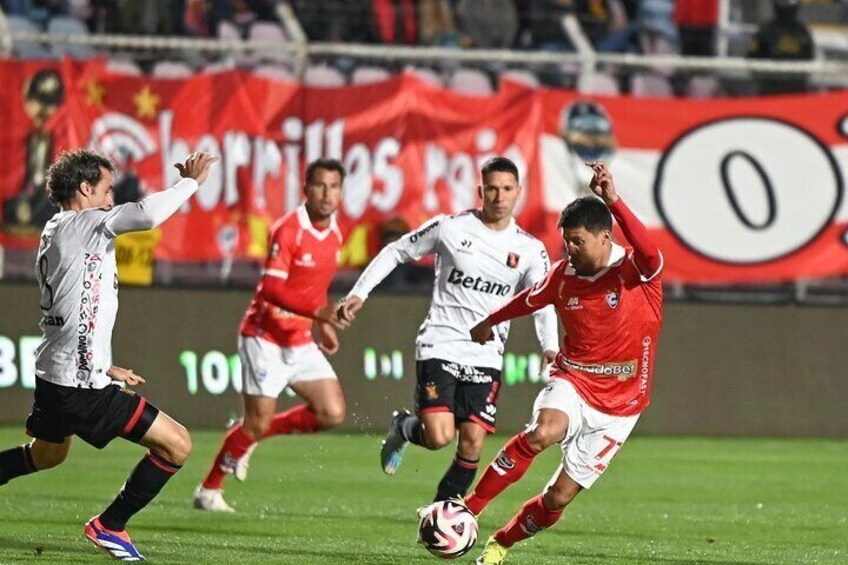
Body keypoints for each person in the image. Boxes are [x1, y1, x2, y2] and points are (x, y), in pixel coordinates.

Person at [0, 149, 217, 561]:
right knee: (178, 446)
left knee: (46, 455)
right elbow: (147, 215)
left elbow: (75, 307)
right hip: (80, 387)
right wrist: (190, 183)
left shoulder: (56, 229)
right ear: (85, 189)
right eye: (106, 189)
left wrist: (103, 362)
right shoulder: (84, 224)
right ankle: (110, 525)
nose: (112, 198)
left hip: (56, 374)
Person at [467, 162, 663, 565]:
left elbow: (649, 250)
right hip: (573, 379)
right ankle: (469, 509)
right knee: (544, 431)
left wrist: (613, 200)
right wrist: (489, 320)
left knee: (558, 498)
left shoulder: (636, 272)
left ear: (605, 237)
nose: (569, 250)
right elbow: (529, 299)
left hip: (622, 407)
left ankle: (501, 542)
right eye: (566, 242)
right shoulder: (563, 276)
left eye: (577, 242)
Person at [337, 156, 559, 504]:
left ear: (518, 192)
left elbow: (542, 300)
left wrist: (550, 347)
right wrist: (359, 293)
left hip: (486, 353)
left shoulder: (530, 249)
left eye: (507, 189)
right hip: (441, 343)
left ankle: (442, 513)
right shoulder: (449, 228)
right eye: (492, 189)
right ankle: (403, 428)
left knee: (472, 442)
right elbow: (397, 251)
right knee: (439, 436)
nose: (499, 196)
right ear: (480, 190)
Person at [194, 158, 349, 512]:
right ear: (306, 189)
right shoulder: (289, 229)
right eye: (320, 185)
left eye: (334, 186)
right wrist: (319, 314)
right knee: (257, 421)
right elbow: (271, 290)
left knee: (331, 412)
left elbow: (314, 290)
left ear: (342, 192)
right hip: (264, 337)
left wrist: (321, 323)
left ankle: (249, 436)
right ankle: (208, 490)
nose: (327, 194)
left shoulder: (337, 232)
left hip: (299, 339)